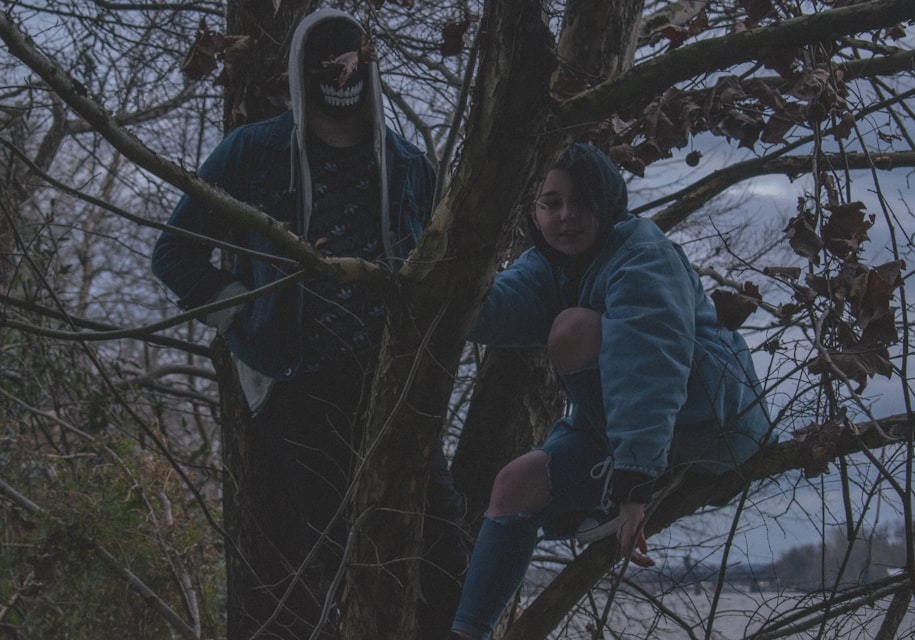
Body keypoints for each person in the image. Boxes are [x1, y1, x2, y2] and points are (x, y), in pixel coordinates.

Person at [151, 9, 468, 639]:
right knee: (341, 565)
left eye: (352, 74)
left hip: (397, 384)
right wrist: (246, 314)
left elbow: (443, 273)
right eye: (327, 75)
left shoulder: (408, 166)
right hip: (302, 382)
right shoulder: (251, 152)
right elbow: (175, 253)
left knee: (444, 555)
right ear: (300, 77)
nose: (341, 89)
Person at [449, 143, 771, 639]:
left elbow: (651, 367)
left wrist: (635, 481)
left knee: (571, 330)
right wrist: (433, 280)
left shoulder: (641, 253)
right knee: (514, 486)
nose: (566, 215)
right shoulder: (548, 266)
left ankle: (626, 483)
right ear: (534, 211)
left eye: (581, 202)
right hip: (621, 437)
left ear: (607, 204)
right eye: (550, 203)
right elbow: (492, 309)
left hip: (710, 422)